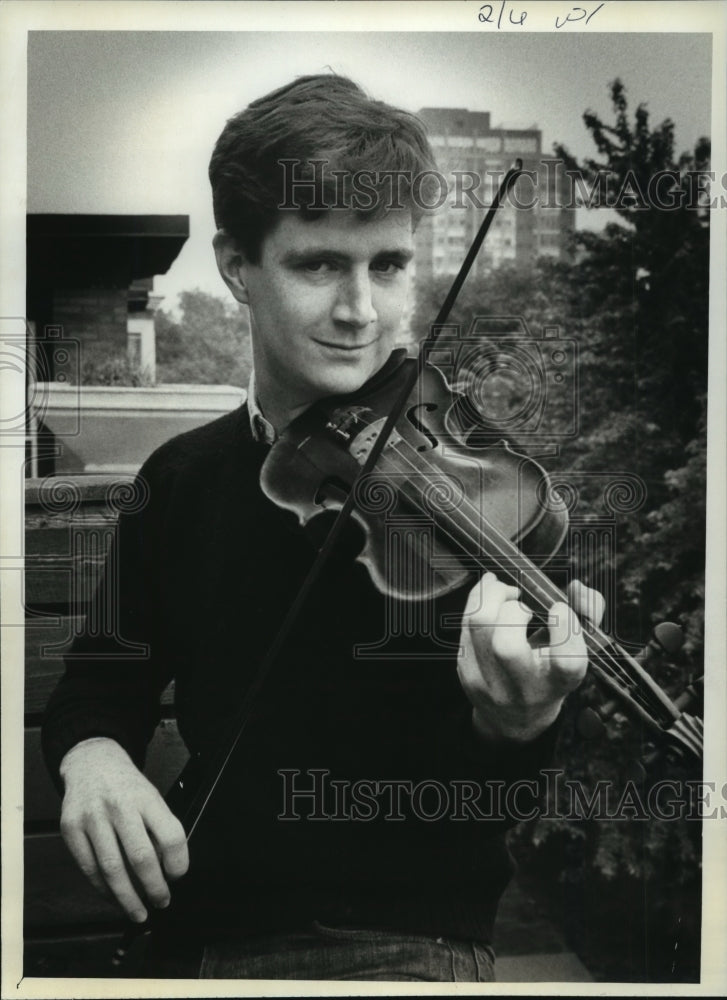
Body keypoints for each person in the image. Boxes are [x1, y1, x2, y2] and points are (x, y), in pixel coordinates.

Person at [42, 73, 603, 982]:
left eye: (387, 266)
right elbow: (98, 687)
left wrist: (518, 720)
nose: (361, 313)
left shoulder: (492, 494)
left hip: (407, 943)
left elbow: (492, 803)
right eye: (318, 266)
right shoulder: (181, 480)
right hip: (197, 939)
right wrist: (95, 757)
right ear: (236, 266)